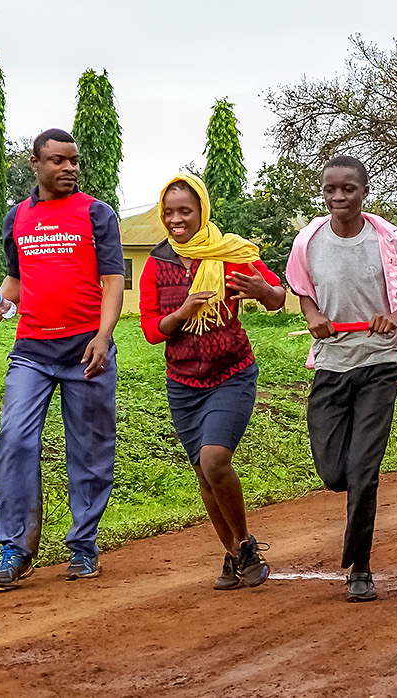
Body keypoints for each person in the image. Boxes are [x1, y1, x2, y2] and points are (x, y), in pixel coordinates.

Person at [285, 155, 397, 602]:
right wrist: (312, 316)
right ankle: (349, 489)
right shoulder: (308, 241)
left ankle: (360, 568)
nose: (338, 197)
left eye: (348, 189)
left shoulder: (389, 240)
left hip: (379, 364)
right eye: (331, 189)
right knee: (335, 473)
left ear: (364, 191)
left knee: (364, 470)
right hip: (331, 364)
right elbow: (302, 291)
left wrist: (394, 318)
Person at [0, 128, 124, 588]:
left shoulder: (97, 215)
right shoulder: (17, 218)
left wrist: (104, 337)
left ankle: (83, 545)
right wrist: (0, 306)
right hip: (32, 351)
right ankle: (15, 548)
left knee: (89, 451)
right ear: (36, 163)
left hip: (87, 350)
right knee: (14, 440)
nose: (69, 168)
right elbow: (15, 281)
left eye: (74, 161)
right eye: (58, 161)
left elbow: (113, 282)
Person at [139, 174, 286, 590]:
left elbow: (277, 298)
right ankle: (233, 554)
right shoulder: (157, 263)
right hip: (183, 382)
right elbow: (152, 330)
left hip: (231, 375)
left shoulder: (229, 253)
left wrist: (262, 289)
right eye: (168, 212)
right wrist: (184, 311)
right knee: (203, 474)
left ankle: (245, 546)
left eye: (185, 211)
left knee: (214, 459)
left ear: (202, 210)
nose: (176, 219)